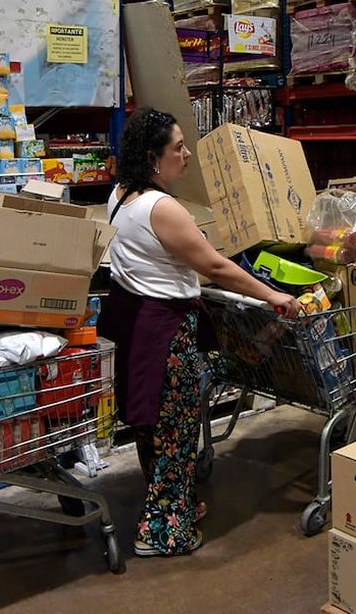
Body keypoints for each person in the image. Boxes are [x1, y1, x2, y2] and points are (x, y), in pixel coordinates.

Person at [98, 108, 300, 557]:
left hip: (132, 323)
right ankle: (162, 531)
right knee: (178, 428)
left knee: (153, 425)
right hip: (165, 332)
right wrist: (273, 296)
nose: (187, 154)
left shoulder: (121, 195)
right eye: (178, 147)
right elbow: (212, 265)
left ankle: (172, 504)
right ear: (154, 157)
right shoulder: (162, 207)